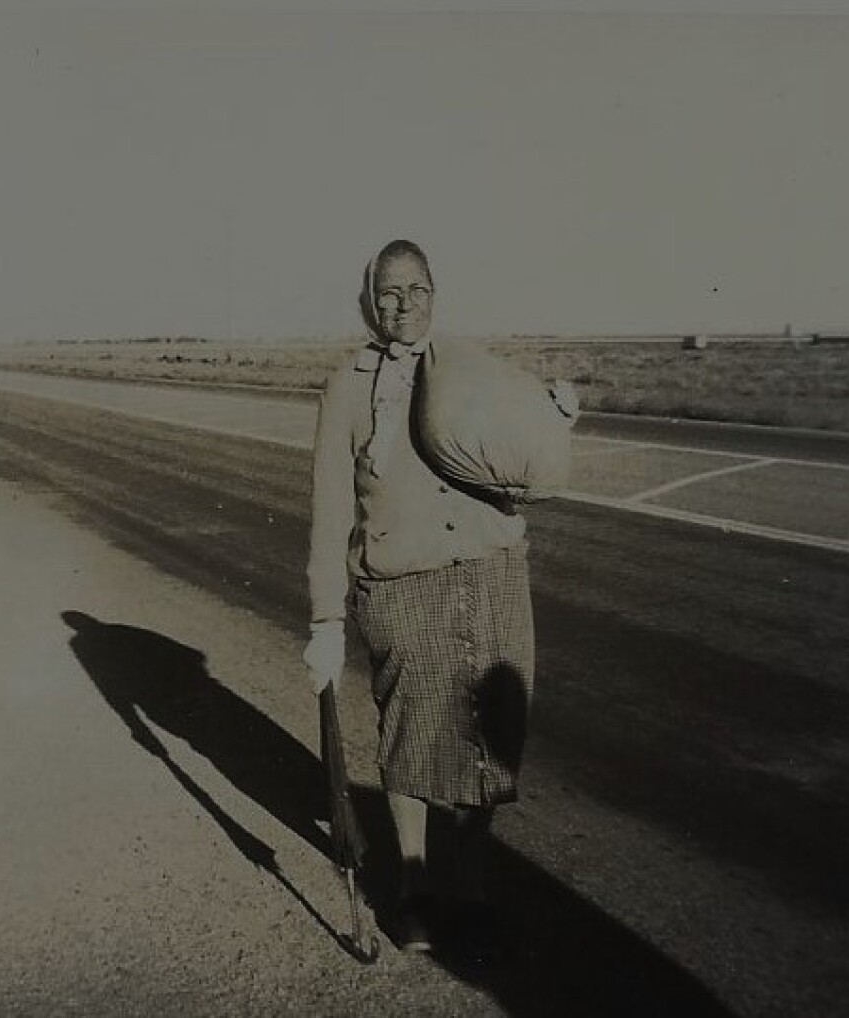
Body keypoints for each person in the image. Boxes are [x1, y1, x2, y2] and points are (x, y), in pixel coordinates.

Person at [303, 239, 537, 954]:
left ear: (437, 292)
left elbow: (524, 452)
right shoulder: (348, 386)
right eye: (388, 293)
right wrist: (324, 620)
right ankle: (413, 888)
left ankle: (469, 887)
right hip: (402, 581)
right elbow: (329, 509)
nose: (403, 305)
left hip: (492, 573)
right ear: (369, 303)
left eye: (416, 289)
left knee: (492, 734)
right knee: (412, 735)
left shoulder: (471, 370)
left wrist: (554, 415)